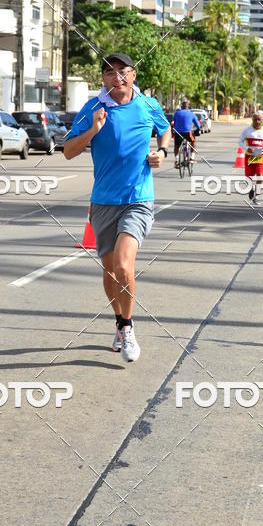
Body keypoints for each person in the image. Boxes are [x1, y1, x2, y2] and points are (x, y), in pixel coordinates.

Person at [64, 53, 171, 364]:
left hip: (138, 199)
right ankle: (120, 321)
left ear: (133, 75)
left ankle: (128, 326)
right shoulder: (92, 109)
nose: (117, 77)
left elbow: (164, 130)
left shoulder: (148, 105)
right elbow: (69, 151)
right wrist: (93, 130)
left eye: (122, 71)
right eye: (110, 73)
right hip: (103, 202)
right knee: (110, 271)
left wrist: (162, 151)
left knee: (124, 265)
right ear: (103, 79)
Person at [239, 110, 263, 205]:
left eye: (260, 120)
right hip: (249, 156)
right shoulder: (247, 130)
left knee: (260, 175)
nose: (258, 122)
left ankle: (257, 195)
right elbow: (240, 142)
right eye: (256, 120)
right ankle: (251, 189)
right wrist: (247, 148)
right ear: (252, 120)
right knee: (249, 177)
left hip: (261, 157)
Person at [172, 99, 201, 168]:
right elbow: (198, 125)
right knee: (193, 142)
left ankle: (176, 160)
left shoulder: (176, 113)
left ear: (181, 106)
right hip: (187, 133)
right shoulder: (191, 114)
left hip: (178, 133)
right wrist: (199, 129)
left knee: (176, 146)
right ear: (188, 106)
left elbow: (174, 123)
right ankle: (192, 158)